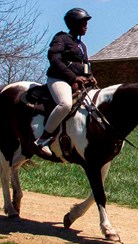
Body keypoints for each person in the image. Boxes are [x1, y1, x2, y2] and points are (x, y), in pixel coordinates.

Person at [35, 8, 97, 157]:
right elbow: (54, 59)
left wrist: (91, 77)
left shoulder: (82, 46)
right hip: (59, 79)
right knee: (65, 104)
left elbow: (86, 65)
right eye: (83, 23)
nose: (86, 26)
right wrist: (73, 78)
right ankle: (43, 139)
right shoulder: (61, 38)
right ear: (74, 24)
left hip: (76, 82)